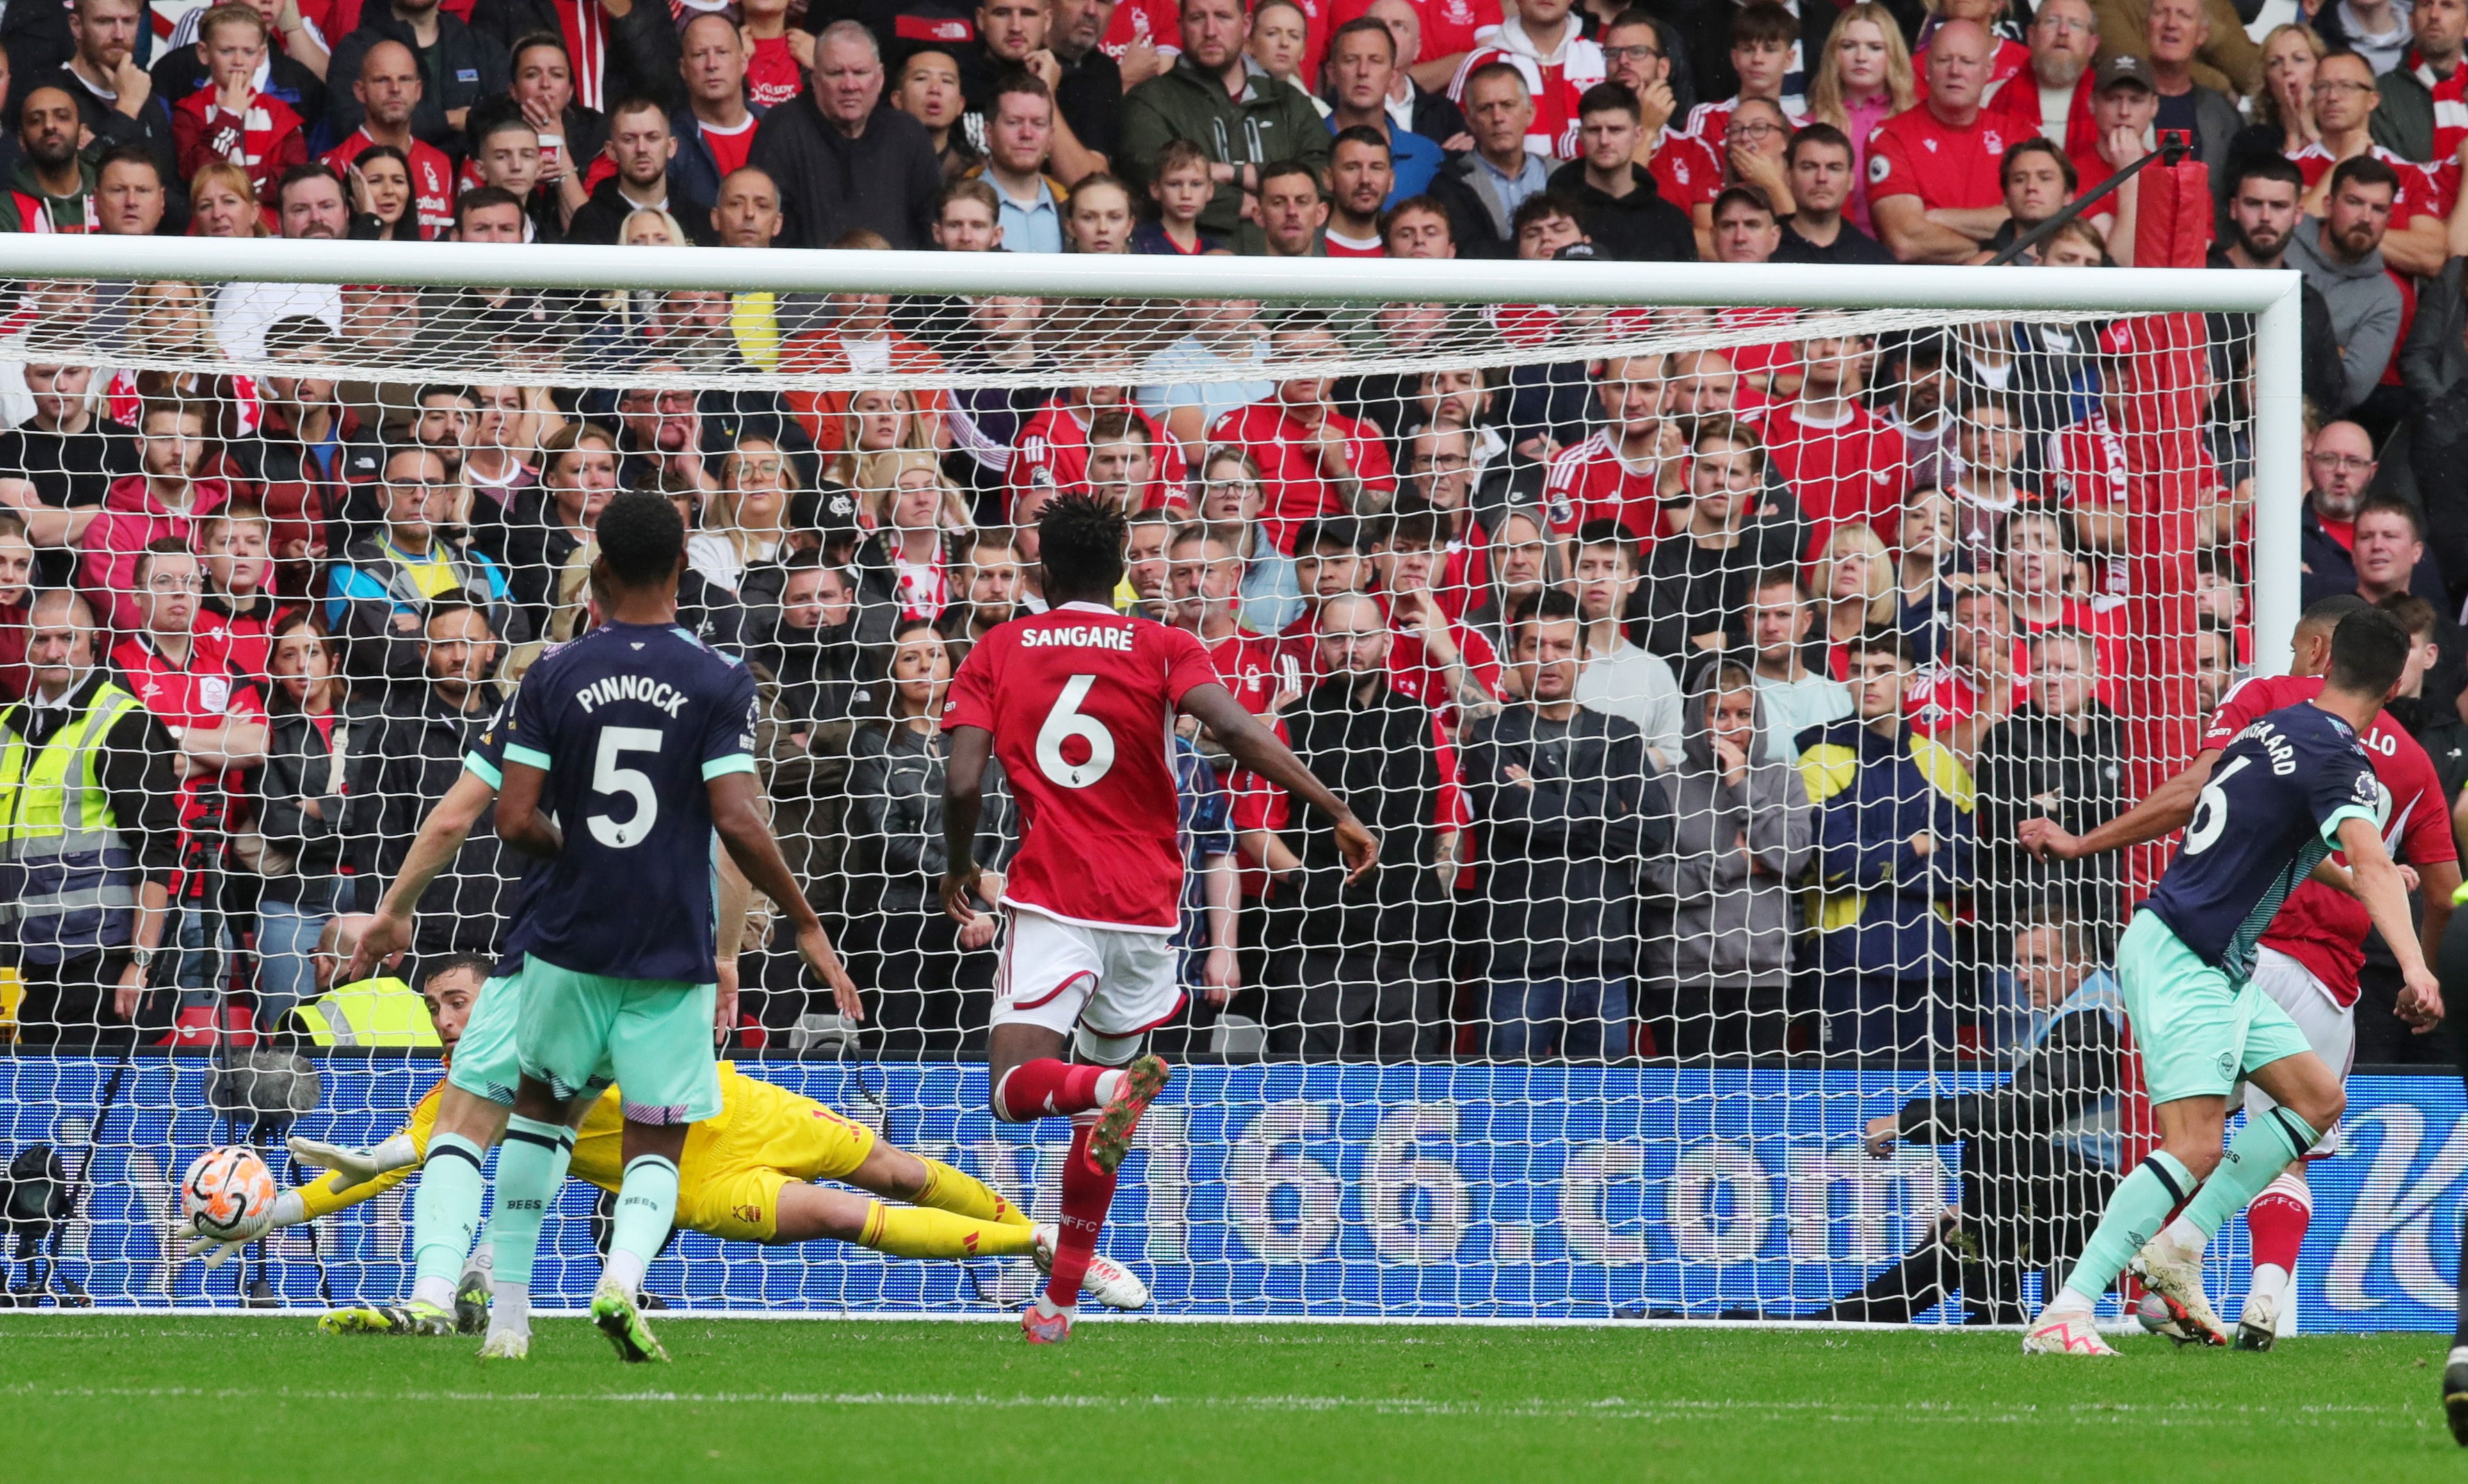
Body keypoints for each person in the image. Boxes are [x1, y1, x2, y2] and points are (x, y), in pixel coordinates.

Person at [937, 492, 1376, 1342]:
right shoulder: (1164, 642)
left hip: (1054, 894)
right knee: (1098, 1127)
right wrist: (1333, 808)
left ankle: (1107, 1089)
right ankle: (1058, 1304)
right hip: (1148, 907)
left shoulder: (999, 645)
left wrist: (961, 865)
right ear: (1126, 573)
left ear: (1040, 568)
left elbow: (962, 782)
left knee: (1015, 1090)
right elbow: (1238, 730)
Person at [274, 952, 1146, 1326]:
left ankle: (1041, 1238)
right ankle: (1042, 1243)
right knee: (843, 1216)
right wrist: (273, 1209)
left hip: (737, 1108)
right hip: (690, 1180)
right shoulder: (462, 1093)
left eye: (457, 1000)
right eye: (434, 1008)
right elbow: (384, 1170)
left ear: (497, 998)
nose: (444, 1019)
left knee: (896, 1167)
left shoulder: (570, 1009)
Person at [2026, 597, 2457, 1347]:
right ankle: (2068, 1308)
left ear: (2323, 660)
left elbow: (2269, 828)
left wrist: (2356, 877)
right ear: (2392, 690)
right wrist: (2417, 965)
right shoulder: (2341, 760)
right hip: (2184, 953)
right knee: (2194, 1143)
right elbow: (2372, 854)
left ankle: (2181, 1244)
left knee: (2320, 1100)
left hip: (2219, 960)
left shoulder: (2274, 724)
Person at [483, 492, 847, 1363]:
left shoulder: (553, 671)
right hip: (671, 940)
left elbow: (512, 819)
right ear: (683, 570)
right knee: (657, 1131)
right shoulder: (720, 677)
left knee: (539, 1113)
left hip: (568, 934)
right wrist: (799, 919)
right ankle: (623, 1277)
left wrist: (575, 848)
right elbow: (740, 820)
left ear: (599, 571)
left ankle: (508, 1319)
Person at [1828, 909, 2124, 1325]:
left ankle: (1993, 1310)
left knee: (1994, 1145)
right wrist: (1976, 1207)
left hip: (2106, 1194)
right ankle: (1837, 1320)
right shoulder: (2079, 1010)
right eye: (2018, 963)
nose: (2022, 976)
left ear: (2079, 965)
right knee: (1954, 1239)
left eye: (2037, 962)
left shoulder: (2092, 1019)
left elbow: (2021, 1109)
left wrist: (1908, 1122)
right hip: (2065, 1186)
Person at [1245, 588, 1449, 1060]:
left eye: (1361, 636)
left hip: (1407, 947)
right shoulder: (1291, 723)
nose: (1350, 648)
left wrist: (1431, 892)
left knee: (1405, 1101)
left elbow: (1448, 820)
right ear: (1320, 642)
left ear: (1385, 642)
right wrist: (1308, 885)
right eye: (1338, 637)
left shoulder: (1420, 721)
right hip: (1317, 949)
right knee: (1308, 1096)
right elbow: (1255, 827)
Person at [1462, 588, 1663, 1060]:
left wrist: (1544, 797)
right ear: (1516, 655)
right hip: (1517, 962)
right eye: (1534, 645)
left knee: (1600, 1124)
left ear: (1583, 657)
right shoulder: (1494, 734)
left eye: (1560, 646)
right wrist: (1602, 806)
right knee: (1506, 1119)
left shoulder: (1619, 735)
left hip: (1603, 961)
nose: (1547, 658)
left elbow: (1653, 832)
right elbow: (1514, 818)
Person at [0, 589, 182, 1049]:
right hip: (14, 960)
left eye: (68, 637)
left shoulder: (124, 723)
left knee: (82, 1113)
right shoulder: (5, 726)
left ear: (93, 642)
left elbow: (155, 850)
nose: (54, 650)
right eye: (41, 639)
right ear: (25, 643)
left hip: (94, 959)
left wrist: (141, 962)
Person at [1798, 626, 1974, 1062]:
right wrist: (1916, 846)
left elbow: (1965, 872)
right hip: (1844, 961)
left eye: (1883, 670)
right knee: (1842, 1105)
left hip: (1928, 961)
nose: (1868, 681)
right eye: (1858, 670)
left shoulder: (1942, 764)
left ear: (1912, 679)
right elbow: (1836, 866)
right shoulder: (1818, 756)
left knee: (1929, 1107)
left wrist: (1875, 857)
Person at [1639, 658, 1810, 1060]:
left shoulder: (1782, 778)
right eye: (1720, 713)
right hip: (1682, 975)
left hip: (1762, 974)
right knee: (1686, 1115)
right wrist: (1734, 863)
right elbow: (1652, 883)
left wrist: (1739, 783)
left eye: (1743, 714)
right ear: (1700, 716)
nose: (1732, 726)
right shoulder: (1665, 786)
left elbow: (1793, 858)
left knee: (1755, 1113)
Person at [1116, 0, 1330, 255]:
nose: (1211, 31)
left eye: (1223, 16)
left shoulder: (1290, 103)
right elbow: (1152, 175)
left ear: (1247, 24)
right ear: (1180, 26)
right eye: (1197, 18)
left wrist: (1234, 173)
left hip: (1287, 279)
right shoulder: (1151, 100)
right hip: (1194, 284)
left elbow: (1324, 177)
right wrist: (1253, 204)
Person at [750, 21, 939, 248]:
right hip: (804, 281)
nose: (850, 85)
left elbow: (932, 230)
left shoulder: (909, 134)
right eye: (836, 73)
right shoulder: (782, 128)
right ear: (815, 79)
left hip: (895, 282)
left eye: (860, 72)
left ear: (879, 78)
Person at [1867, 19, 2011, 264]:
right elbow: (1906, 240)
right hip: (1922, 295)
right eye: (1944, 60)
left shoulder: (2018, 133)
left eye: (1968, 62)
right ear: (1926, 67)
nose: (1955, 71)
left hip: (2005, 295)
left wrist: (1935, 217)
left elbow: (2036, 218)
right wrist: (1995, 252)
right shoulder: (1891, 136)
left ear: (1989, 70)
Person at [1549, 80, 1693, 261]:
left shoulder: (1671, 222)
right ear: (1580, 136)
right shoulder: (1551, 218)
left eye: (1615, 130)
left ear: (1638, 135)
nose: (1604, 140)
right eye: (1594, 130)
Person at [1426, 61, 1550, 256]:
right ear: (1470, 122)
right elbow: (1466, 253)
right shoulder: (1449, 183)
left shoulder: (1560, 174)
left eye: (1507, 105)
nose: (1498, 117)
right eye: (1485, 108)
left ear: (1530, 114)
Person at [1745, 566, 1851, 763]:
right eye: (1760, 615)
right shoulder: (1735, 700)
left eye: (1783, 615)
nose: (1771, 627)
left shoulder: (1841, 698)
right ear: (1747, 623)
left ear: (1806, 622)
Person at [1773, 122, 1893, 263]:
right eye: (1809, 167)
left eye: (1834, 168)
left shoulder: (1875, 259)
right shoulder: (1764, 247)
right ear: (1788, 177)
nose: (1821, 178)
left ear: (1850, 181)